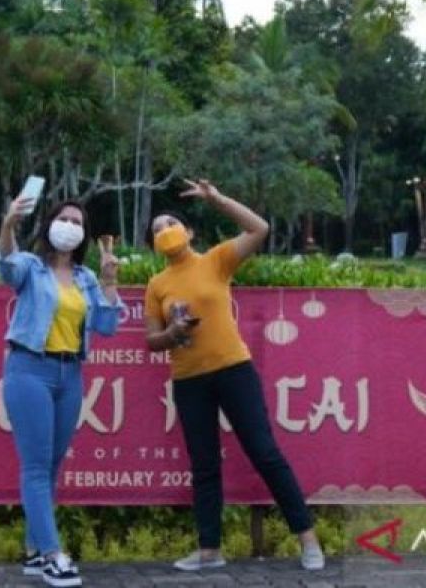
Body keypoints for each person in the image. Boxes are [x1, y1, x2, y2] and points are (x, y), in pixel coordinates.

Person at [144, 179, 324, 572]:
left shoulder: (216, 260)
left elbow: (259, 229)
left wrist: (217, 199)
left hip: (233, 371)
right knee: (204, 464)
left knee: (264, 452)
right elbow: (151, 341)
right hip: (189, 380)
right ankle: (210, 550)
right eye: (156, 229)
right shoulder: (157, 285)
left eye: (170, 223)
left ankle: (307, 538)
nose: (164, 231)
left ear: (189, 232)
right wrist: (171, 335)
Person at [0, 197, 123, 588]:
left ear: (83, 234)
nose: (69, 225)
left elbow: (106, 327)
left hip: (70, 373)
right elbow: (4, 266)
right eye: (63, 219)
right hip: (29, 368)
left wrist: (109, 279)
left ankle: (34, 551)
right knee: (35, 466)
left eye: (77, 222)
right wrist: (8, 225)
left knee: (51, 467)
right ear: (50, 224)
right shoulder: (32, 268)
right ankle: (53, 555)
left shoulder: (84, 277)